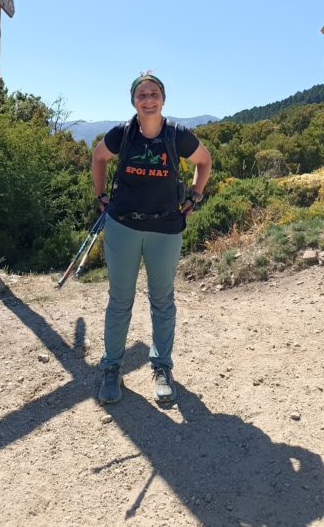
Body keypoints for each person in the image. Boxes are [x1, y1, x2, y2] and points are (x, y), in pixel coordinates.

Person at [92, 72, 212, 405]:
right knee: (120, 300)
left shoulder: (177, 135)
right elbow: (99, 157)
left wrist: (195, 196)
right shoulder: (122, 134)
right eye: (142, 94)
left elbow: (204, 161)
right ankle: (112, 368)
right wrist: (101, 196)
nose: (148, 100)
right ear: (133, 101)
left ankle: (161, 367)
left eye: (154, 93)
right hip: (123, 226)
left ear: (163, 99)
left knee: (162, 301)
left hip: (166, 229)